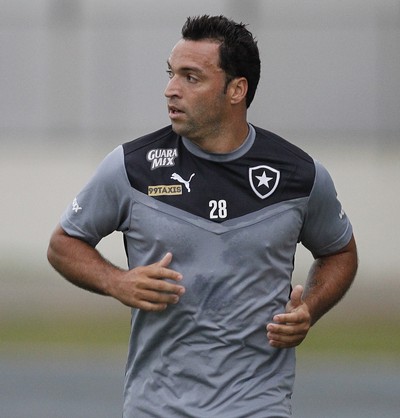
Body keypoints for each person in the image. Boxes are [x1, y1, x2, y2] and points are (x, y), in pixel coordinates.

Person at [47, 15, 358, 418]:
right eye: (172, 73)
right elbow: (63, 244)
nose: (170, 90)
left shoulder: (299, 176)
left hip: (258, 405)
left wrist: (309, 310)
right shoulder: (131, 167)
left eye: (191, 78)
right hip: (155, 406)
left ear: (236, 90)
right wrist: (116, 281)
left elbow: (340, 252)